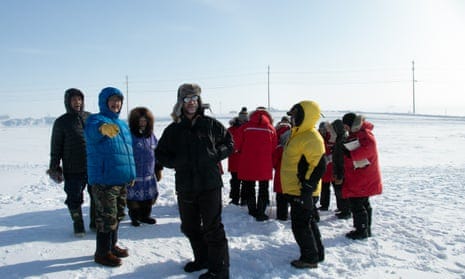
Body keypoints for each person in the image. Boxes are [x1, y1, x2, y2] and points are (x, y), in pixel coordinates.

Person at [155, 83, 233, 279]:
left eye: (194, 99)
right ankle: (203, 259)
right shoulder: (173, 130)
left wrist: (216, 154)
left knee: (213, 228)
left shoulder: (211, 125)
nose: (191, 103)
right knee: (189, 226)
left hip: (210, 185)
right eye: (187, 99)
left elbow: (229, 144)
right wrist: (175, 162)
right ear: (181, 103)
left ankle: (220, 270)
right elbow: (160, 153)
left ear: (199, 102)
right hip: (186, 186)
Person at [85, 87, 136, 267]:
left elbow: (127, 152)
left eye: (118, 100)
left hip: (121, 179)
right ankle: (102, 253)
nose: (116, 103)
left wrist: (131, 174)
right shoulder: (95, 120)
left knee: (118, 215)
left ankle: (112, 246)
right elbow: (91, 131)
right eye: (112, 100)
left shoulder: (122, 124)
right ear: (104, 102)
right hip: (104, 180)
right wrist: (102, 129)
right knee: (106, 218)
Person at [281, 100, 325, 269]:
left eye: (295, 116)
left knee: (300, 225)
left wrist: (307, 188)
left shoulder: (311, 137)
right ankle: (317, 253)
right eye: (291, 116)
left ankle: (309, 258)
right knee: (308, 222)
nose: (292, 119)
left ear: (305, 116)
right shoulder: (299, 134)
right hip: (298, 189)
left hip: (303, 189)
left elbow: (319, 165)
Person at [47, 88, 94, 237]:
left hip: (93, 166)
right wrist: (54, 167)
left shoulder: (90, 118)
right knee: (74, 197)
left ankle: (95, 222)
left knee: (97, 196)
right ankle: (78, 223)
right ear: (68, 102)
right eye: (74, 100)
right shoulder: (61, 122)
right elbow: (56, 147)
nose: (77, 102)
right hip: (73, 168)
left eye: (79, 99)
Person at [341, 113, 383, 240]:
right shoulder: (359, 133)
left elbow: (369, 149)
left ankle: (362, 230)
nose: (345, 129)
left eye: (346, 126)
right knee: (362, 203)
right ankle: (364, 228)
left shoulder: (364, 134)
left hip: (363, 176)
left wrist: (350, 153)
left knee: (358, 204)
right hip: (361, 175)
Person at [236, 107, 277, 221]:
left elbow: (237, 144)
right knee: (263, 188)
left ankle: (252, 210)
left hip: (248, 162)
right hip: (265, 163)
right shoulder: (271, 129)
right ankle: (261, 211)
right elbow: (274, 148)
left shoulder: (245, 127)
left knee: (249, 187)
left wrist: (242, 152)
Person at [127, 107, 162, 227]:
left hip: (148, 173)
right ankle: (135, 217)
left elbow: (157, 151)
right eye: (140, 120)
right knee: (133, 197)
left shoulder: (151, 135)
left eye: (145, 120)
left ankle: (145, 216)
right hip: (134, 174)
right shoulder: (130, 135)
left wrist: (158, 168)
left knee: (148, 196)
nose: (142, 123)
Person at [227, 108, 248, 205]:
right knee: (235, 181)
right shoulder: (230, 130)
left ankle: (244, 199)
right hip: (235, 159)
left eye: (244, 118)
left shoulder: (249, 128)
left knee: (245, 181)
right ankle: (235, 199)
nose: (242, 120)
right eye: (241, 118)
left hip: (245, 159)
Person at [331, 119, 351, 219]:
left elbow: (341, 157)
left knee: (341, 191)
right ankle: (343, 209)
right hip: (339, 167)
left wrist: (339, 172)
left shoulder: (341, 139)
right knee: (339, 190)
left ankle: (346, 211)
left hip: (341, 168)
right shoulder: (340, 138)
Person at [272, 129, 291, 221]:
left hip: (281, 176)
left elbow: (274, 162)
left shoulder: (279, 149)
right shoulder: (296, 148)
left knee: (281, 198)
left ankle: (281, 216)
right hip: (293, 177)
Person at [318, 121, 336, 211]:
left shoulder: (333, 138)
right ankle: (324, 205)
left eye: (324, 130)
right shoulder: (318, 137)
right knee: (324, 189)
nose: (322, 131)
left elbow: (337, 152)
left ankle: (343, 207)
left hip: (333, 168)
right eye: (321, 130)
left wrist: (329, 158)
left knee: (338, 189)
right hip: (324, 168)